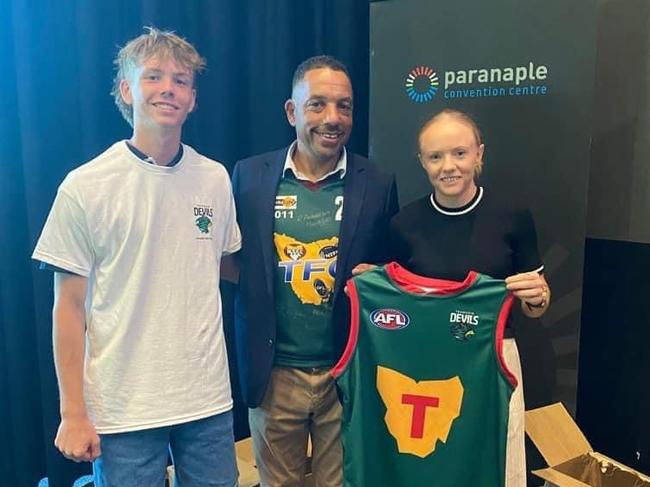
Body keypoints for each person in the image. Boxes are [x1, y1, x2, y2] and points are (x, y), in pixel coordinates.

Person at [32, 27, 241, 487]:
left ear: (193, 99)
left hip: (206, 400)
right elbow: (67, 308)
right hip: (124, 406)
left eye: (181, 80)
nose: (168, 88)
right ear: (126, 90)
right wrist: (73, 412)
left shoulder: (215, 179)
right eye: (154, 77)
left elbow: (227, 265)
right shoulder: (86, 186)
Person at [229, 55, 399, 486]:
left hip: (346, 372)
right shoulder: (248, 177)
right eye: (317, 104)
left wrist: (377, 275)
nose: (333, 118)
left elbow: (392, 267)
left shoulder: (378, 181)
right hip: (273, 373)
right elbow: (230, 262)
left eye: (344, 106)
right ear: (292, 111)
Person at [369, 108, 550, 487]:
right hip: (424, 369)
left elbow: (535, 307)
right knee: (431, 464)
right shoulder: (404, 225)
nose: (448, 166)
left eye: (460, 153)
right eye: (435, 156)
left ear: (479, 154)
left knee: (498, 463)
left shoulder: (512, 216)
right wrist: (374, 285)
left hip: (494, 361)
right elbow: (395, 309)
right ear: (422, 161)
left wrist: (537, 297)